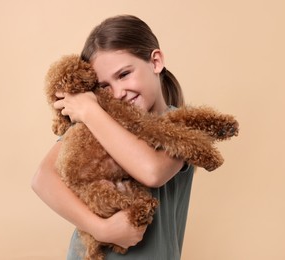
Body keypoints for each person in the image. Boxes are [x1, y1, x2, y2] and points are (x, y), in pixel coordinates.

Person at [32, 14, 194, 260]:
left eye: (124, 74)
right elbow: (42, 178)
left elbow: (152, 172)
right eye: (104, 86)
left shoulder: (184, 125)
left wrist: (88, 109)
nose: (118, 93)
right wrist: (102, 229)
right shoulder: (99, 123)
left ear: (156, 61)